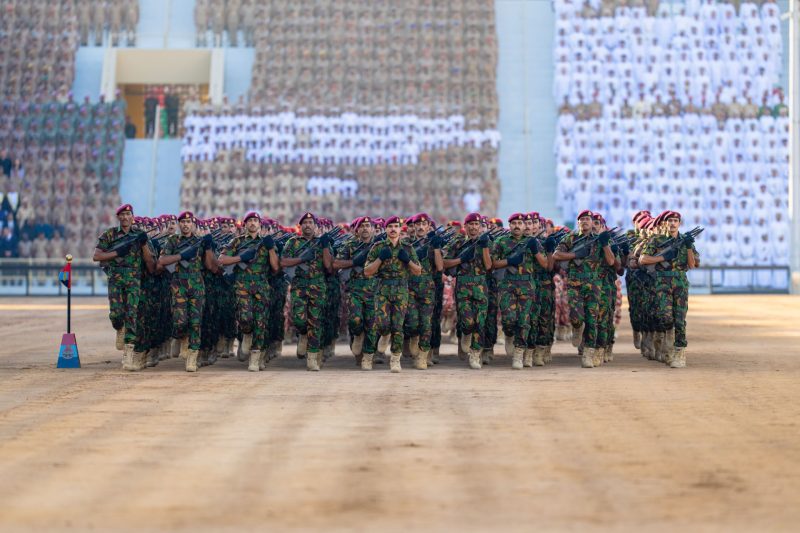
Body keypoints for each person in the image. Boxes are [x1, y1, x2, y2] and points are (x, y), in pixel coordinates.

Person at [92, 204, 155, 370]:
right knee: (116, 313)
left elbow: (149, 262)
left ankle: (128, 354)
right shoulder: (110, 234)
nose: (126, 217)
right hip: (116, 279)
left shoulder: (139, 235)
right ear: (118, 217)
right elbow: (97, 256)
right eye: (123, 214)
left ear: (132, 216)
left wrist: (143, 244)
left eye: (128, 214)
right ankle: (119, 327)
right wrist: (117, 252)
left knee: (132, 314)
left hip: (134, 279)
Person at [553, 210, 615, 368]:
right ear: (578, 222)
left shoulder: (598, 240)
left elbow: (611, 261)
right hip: (575, 284)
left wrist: (605, 244)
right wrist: (574, 255)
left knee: (592, 320)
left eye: (588, 219)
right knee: (576, 316)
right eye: (582, 219)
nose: (586, 221)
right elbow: (556, 255)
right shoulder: (571, 238)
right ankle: (577, 328)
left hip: (594, 285)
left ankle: (588, 353)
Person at [157, 211, 218, 372]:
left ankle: (192, 356)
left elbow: (211, 266)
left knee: (196, 322)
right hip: (178, 285)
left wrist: (209, 247)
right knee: (180, 321)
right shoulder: (173, 240)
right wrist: (181, 255)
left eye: (188, 222)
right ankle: (180, 337)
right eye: (182, 222)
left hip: (197, 285)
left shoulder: (200, 241)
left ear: (193, 224)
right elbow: (162, 261)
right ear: (179, 224)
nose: (185, 224)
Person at [218, 211, 278, 371]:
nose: (252, 223)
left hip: (261, 287)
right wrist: (240, 258)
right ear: (245, 224)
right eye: (249, 220)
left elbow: (276, 267)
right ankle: (246, 333)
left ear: (260, 224)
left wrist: (271, 248)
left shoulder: (266, 243)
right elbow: (222, 260)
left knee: (261, 322)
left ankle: (255, 357)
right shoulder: (237, 242)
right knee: (245, 318)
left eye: (255, 220)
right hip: (242, 287)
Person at [639, 211, 699, 368]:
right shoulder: (656, 240)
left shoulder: (686, 241)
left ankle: (679, 353)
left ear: (679, 223)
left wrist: (687, 247)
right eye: (669, 221)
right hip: (662, 282)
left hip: (679, 281)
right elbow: (643, 259)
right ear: (665, 223)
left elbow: (692, 265)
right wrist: (662, 258)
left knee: (680, 318)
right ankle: (668, 333)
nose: (672, 223)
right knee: (664, 316)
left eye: (675, 220)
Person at [363, 216, 421, 372]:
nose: (393, 229)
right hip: (383, 289)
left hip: (401, 290)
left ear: (400, 229)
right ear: (386, 229)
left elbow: (418, 271)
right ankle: (369, 354)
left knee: (398, 326)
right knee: (381, 324)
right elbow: (367, 271)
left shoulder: (408, 248)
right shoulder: (378, 247)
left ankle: (395, 358)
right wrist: (380, 258)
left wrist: (407, 260)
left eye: (396, 226)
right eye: (390, 226)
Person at [280, 213, 333, 371]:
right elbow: (283, 262)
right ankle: (302, 334)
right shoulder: (293, 242)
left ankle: (312, 358)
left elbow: (329, 266)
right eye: (305, 223)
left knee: (315, 322)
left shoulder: (322, 242)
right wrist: (301, 259)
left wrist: (324, 247)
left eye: (311, 222)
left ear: (315, 226)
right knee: (299, 320)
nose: (308, 225)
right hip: (299, 285)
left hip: (318, 286)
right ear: (300, 226)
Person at [442, 212, 493, 369]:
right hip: (463, 286)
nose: (473, 227)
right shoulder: (457, 242)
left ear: (479, 226)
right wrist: (461, 259)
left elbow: (489, 265)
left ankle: (475, 354)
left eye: (476, 224)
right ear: (465, 226)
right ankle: (465, 333)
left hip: (480, 286)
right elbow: (444, 263)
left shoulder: (486, 241)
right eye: (470, 224)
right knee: (467, 321)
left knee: (480, 322)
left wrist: (484, 247)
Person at [333, 216, 378, 366]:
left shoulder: (379, 245)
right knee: (355, 320)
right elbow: (336, 263)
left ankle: (368, 357)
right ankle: (358, 335)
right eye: (362, 226)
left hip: (375, 290)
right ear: (357, 230)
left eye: (368, 225)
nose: (365, 228)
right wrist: (354, 262)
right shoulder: (349, 245)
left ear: (373, 229)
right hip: (354, 290)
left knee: (372, 325)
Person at [403, 213, 443, 369]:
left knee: (427, 324)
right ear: (412, 227)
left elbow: (440, 268)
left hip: (427, 288)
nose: (420, 227)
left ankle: (422, 356)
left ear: (428, 226)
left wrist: (437, 248)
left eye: (424, 224)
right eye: (417, 224)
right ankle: (413, 337)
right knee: (412, 322)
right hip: (409, 287)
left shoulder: (433, 244)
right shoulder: (405, 243)